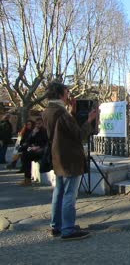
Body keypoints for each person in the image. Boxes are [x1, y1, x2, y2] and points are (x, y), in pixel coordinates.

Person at [42, 81, 97, 240]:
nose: (69, 95)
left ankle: (56, 226)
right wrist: (89, 120)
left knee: (59, 192)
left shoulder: (47, 111)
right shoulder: (61, 113)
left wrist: (72, 111)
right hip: (70, 157)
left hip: (57, 156)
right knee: (69, 194)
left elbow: (62, 132)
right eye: (67, 92)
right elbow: (79, 135)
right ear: (60, 94)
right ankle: (68, 229)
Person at [19, 118, 48, 186]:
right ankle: (27, 178)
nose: (38, 125)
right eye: (37, 124)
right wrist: (33, 134)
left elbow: (47, 142)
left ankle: (27, 179)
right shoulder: (35, 131)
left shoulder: (45, 131)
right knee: (24, 155)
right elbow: (28, 141)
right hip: (34, 149)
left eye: (40, 123)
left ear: (43, 124)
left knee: (27, 156)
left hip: (43, 150)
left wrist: (39, 147)